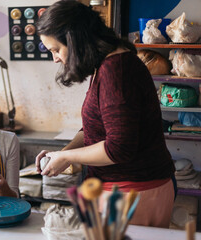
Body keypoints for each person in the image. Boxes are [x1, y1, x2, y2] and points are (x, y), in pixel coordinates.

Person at [35, 0, 176, 228]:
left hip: (135, 192)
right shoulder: (105, 66)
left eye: (56, 50)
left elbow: (118, 148)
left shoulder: (115, 72)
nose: (56, 59)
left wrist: (68, 158)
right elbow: (97, 128)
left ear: (75, 40)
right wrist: (63, 153)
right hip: (125, 189)